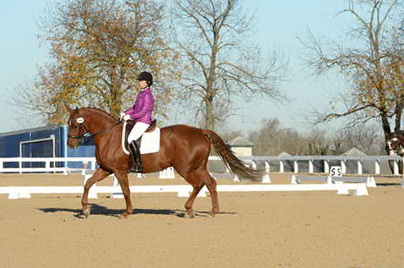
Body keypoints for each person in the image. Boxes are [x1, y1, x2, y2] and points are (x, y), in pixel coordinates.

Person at [120, 71, 155, 172]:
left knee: (131, 138)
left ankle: (137, 165)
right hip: (138, 120)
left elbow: (143, 111)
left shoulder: (148, 95)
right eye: (139, 81)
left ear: (147, 82)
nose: (139, 82)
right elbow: (135, 108)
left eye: (141, 81)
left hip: (144, 121)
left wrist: (130, 116)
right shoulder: (141, 93)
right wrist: (124, 112)